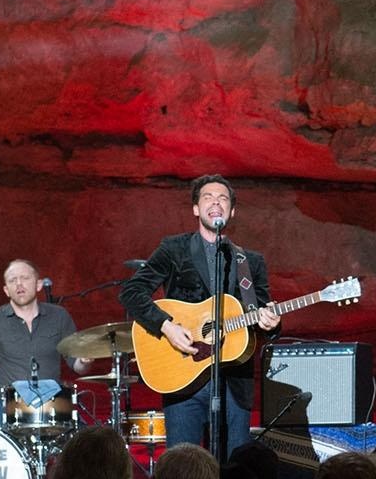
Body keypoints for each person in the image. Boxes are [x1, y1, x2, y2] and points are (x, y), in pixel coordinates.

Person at [120, 174, 280, 457]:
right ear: (196, 208)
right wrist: (166, 326)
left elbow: (261, 316)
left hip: (234, 382)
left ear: (232, 211)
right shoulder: (174, 249)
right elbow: (132, 292)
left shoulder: (250, 262)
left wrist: (272, 323)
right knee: (183, 472)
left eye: (223, 198)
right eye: (208, 197)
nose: (215, 202)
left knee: (234, 474)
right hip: (182, 378)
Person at [0, 259, 86, 426]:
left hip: (51, 402)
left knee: (85, 443)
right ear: (6, 290)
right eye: (12, 280)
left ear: (38, 284)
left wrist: (84, 360)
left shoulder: (59, 316)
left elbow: (77, 365)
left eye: (25, 278)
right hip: (7, 404)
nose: (19, 284)